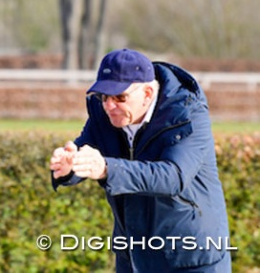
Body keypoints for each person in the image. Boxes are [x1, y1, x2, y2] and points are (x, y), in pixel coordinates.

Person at [50, 48, 231, 273]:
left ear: (147, 93)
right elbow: (86, 153)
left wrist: (107, 168)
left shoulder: (187, 113)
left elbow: (173, 176)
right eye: (104, 96)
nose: (109, 105)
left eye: (120, 97)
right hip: (134, 256)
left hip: (193, 258)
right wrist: (69, 166)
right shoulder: (104, 115)